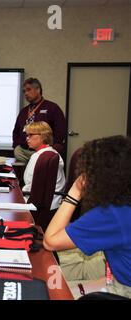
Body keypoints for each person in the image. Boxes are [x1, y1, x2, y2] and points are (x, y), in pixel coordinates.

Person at [44, 135, 131, 298]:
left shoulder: (114, 213)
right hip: (113, 274)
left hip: (123, 289)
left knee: (46, 289)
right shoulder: (123, 204)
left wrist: (74, 192)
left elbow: (51, 241)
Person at [13, 78, 66, 163]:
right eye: (24, 91)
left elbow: (60, 131)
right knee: (22, 173)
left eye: (29, 90)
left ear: (38, 90)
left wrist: (50, 149)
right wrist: (16, 146)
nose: (26, 93)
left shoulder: (52, 108)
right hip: (23, 152)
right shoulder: (24, 111)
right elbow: (16, 131)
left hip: (42, 152)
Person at [22, 121, 66, 210]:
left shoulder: (39, 156)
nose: (27, 138)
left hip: (38, 205)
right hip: (54, 203)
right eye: (27, 135)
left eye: (30, 135)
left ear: (43, 136)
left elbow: (29, 184)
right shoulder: (54, 153)